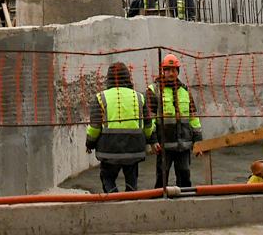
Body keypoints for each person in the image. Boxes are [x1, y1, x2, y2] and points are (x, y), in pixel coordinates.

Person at [86, 63, 148, 193]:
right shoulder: (139, 97)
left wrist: (90, 144)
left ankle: (114, 202)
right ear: (128, 77)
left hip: (109, 151)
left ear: (109, 78)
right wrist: (146, 140)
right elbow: (148, 126)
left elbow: (95, 127)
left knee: (108, 179)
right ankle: (131, 203)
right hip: (134, 150)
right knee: (132, 183)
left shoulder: (102, 97)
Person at [145, 53, 203, 189]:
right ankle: (160, 200)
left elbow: (193, 117)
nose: (172, 73)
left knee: (184, 175)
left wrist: (198, 141)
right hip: (163, 145)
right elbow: (150, 118)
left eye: (174, 70)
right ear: (163, 71)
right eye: (169, 70)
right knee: (162, 177)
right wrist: (153, 140)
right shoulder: (154, 91)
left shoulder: (185, 90)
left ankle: (186, 199)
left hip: (183, 144)